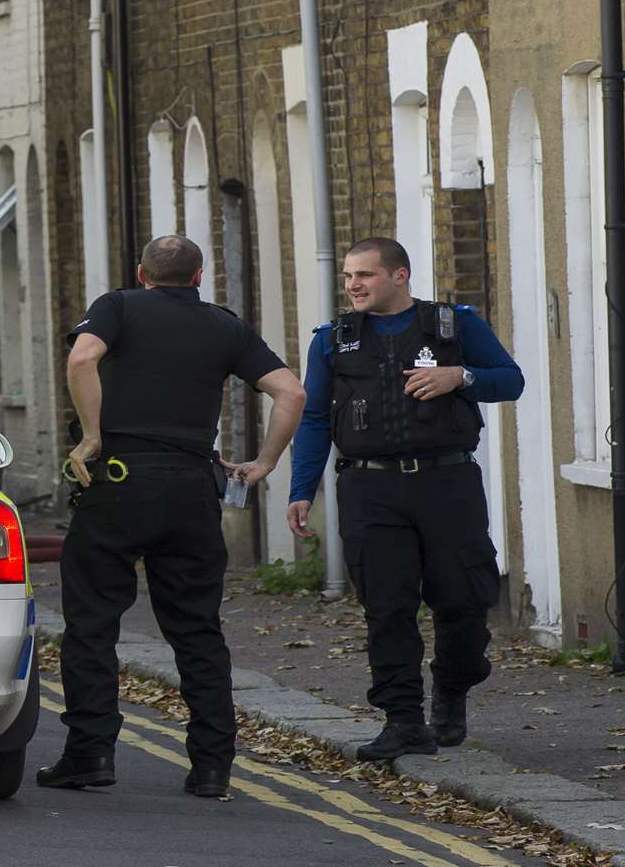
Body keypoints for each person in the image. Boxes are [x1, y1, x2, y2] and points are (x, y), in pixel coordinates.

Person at [42, 235, 307, 798]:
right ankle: (212, 767)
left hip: (116, 482)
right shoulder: (225, 326)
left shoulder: (116, 306)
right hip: (192, 489)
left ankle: (89, 755)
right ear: (199, 277)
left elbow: (83, 357)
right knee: (197, 632)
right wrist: (263, 462)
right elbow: (291, 393)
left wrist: (92, 436)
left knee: (91, 624)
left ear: (142, 273)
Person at [286, 237, 524, 762]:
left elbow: (511, 381)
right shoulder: (333, 339)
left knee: (462, 599)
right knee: (387, 607)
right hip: (369, 487)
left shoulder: (454, 326)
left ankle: (454, 688)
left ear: (400, 276)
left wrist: (460, 377)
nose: (354, 285)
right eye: (349, 276)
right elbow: (315, 418)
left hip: (447, 483)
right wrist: (302, 490)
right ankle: (403, 721)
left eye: (365, 275)